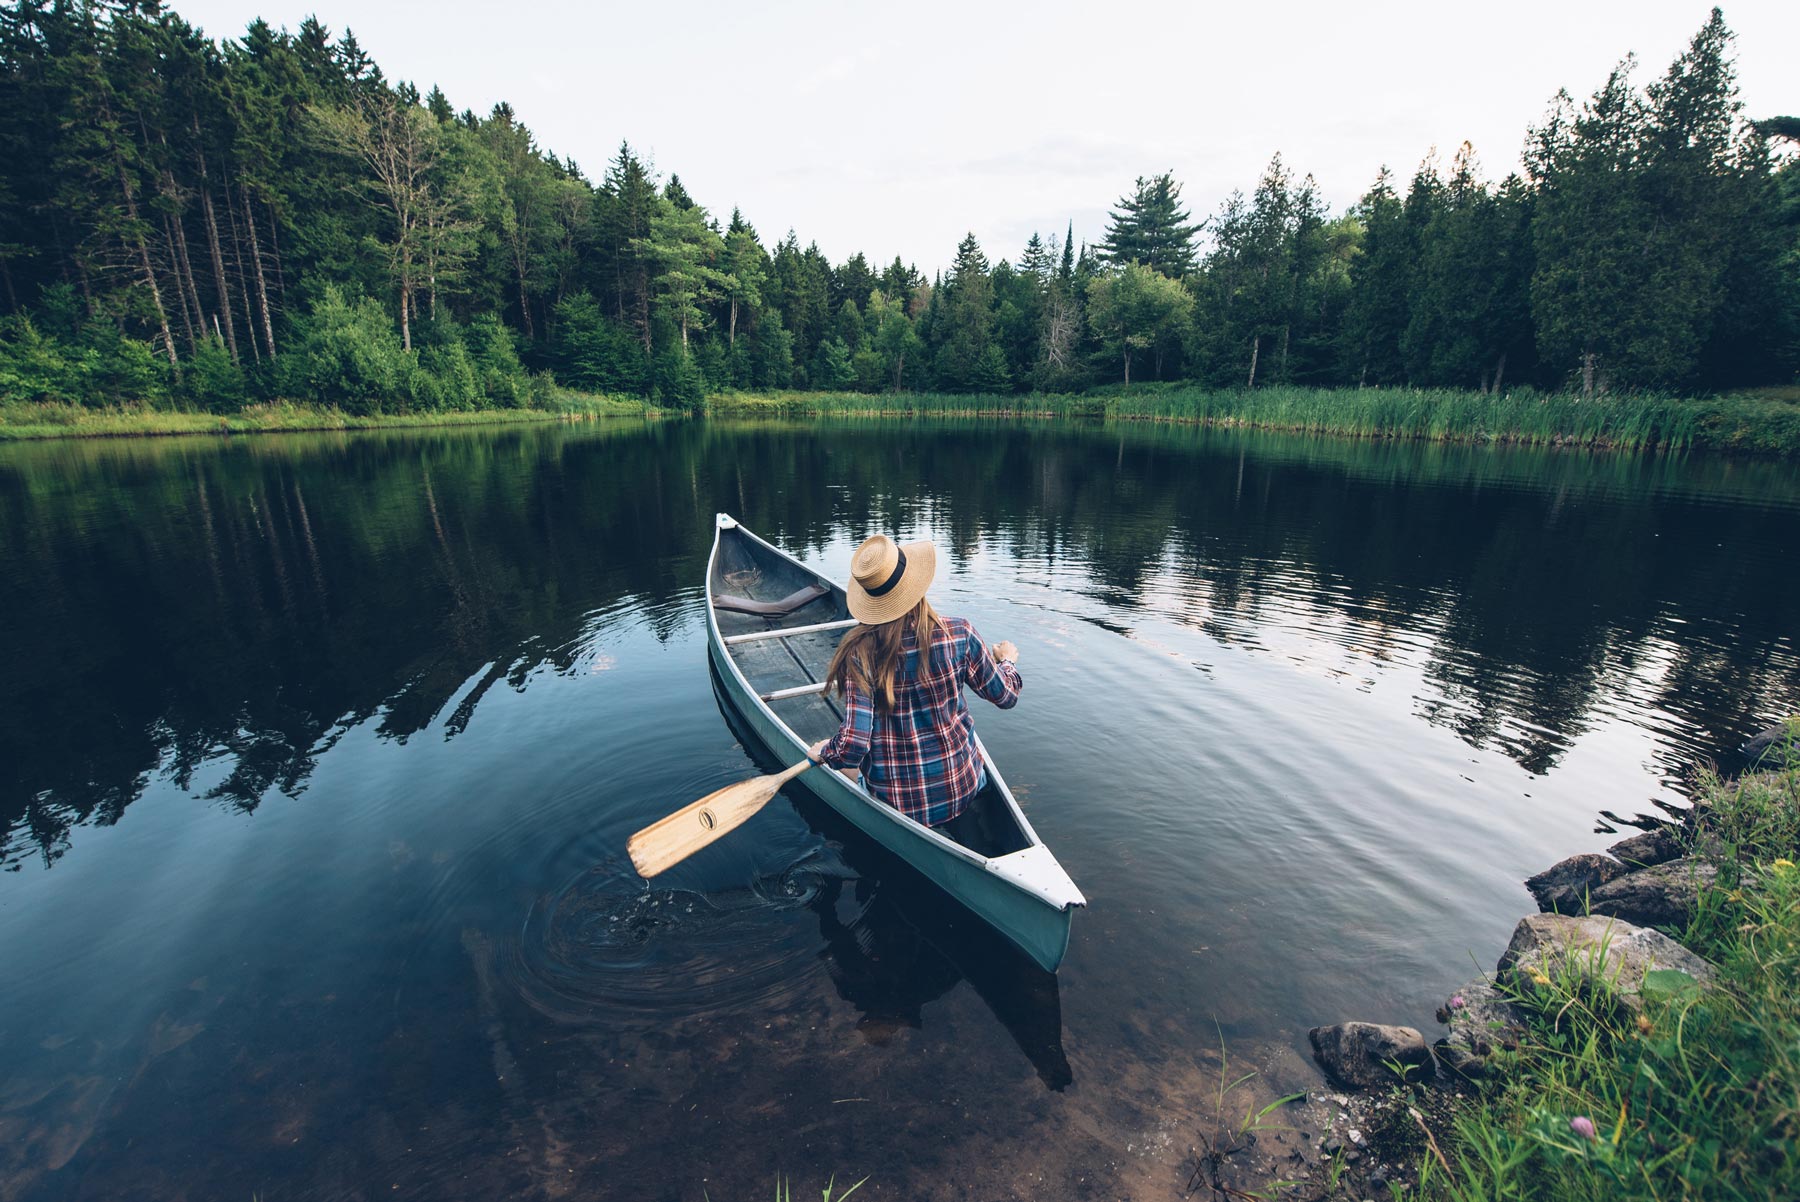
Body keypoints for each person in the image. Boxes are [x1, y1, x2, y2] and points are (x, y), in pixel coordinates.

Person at [807, 533, 1021, 849]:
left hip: (900, 803)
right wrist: (1007, 663)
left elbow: (852, 747)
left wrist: (824, 751)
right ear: (915, 585)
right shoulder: (959, 633)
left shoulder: (860, 654)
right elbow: (1006, 696)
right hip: (963, 786)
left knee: (848, 763)